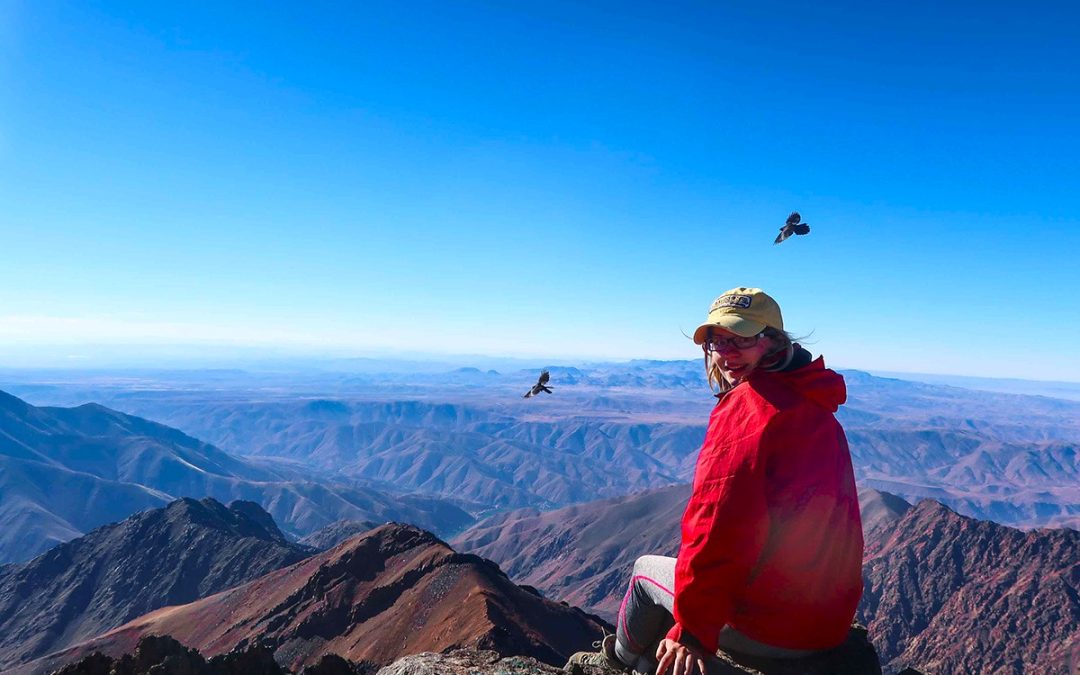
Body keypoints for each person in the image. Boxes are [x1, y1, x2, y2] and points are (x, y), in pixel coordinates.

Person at [567, 287, 864, 675]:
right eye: (717, 341)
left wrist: (693, 630)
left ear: (772, 340)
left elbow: (716, 529)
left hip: (773, 629)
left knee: (642, 573)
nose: (726, 353)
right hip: (826, 622)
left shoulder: (748, 413)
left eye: (740, 338)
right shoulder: (814, 406)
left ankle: (614, 663)